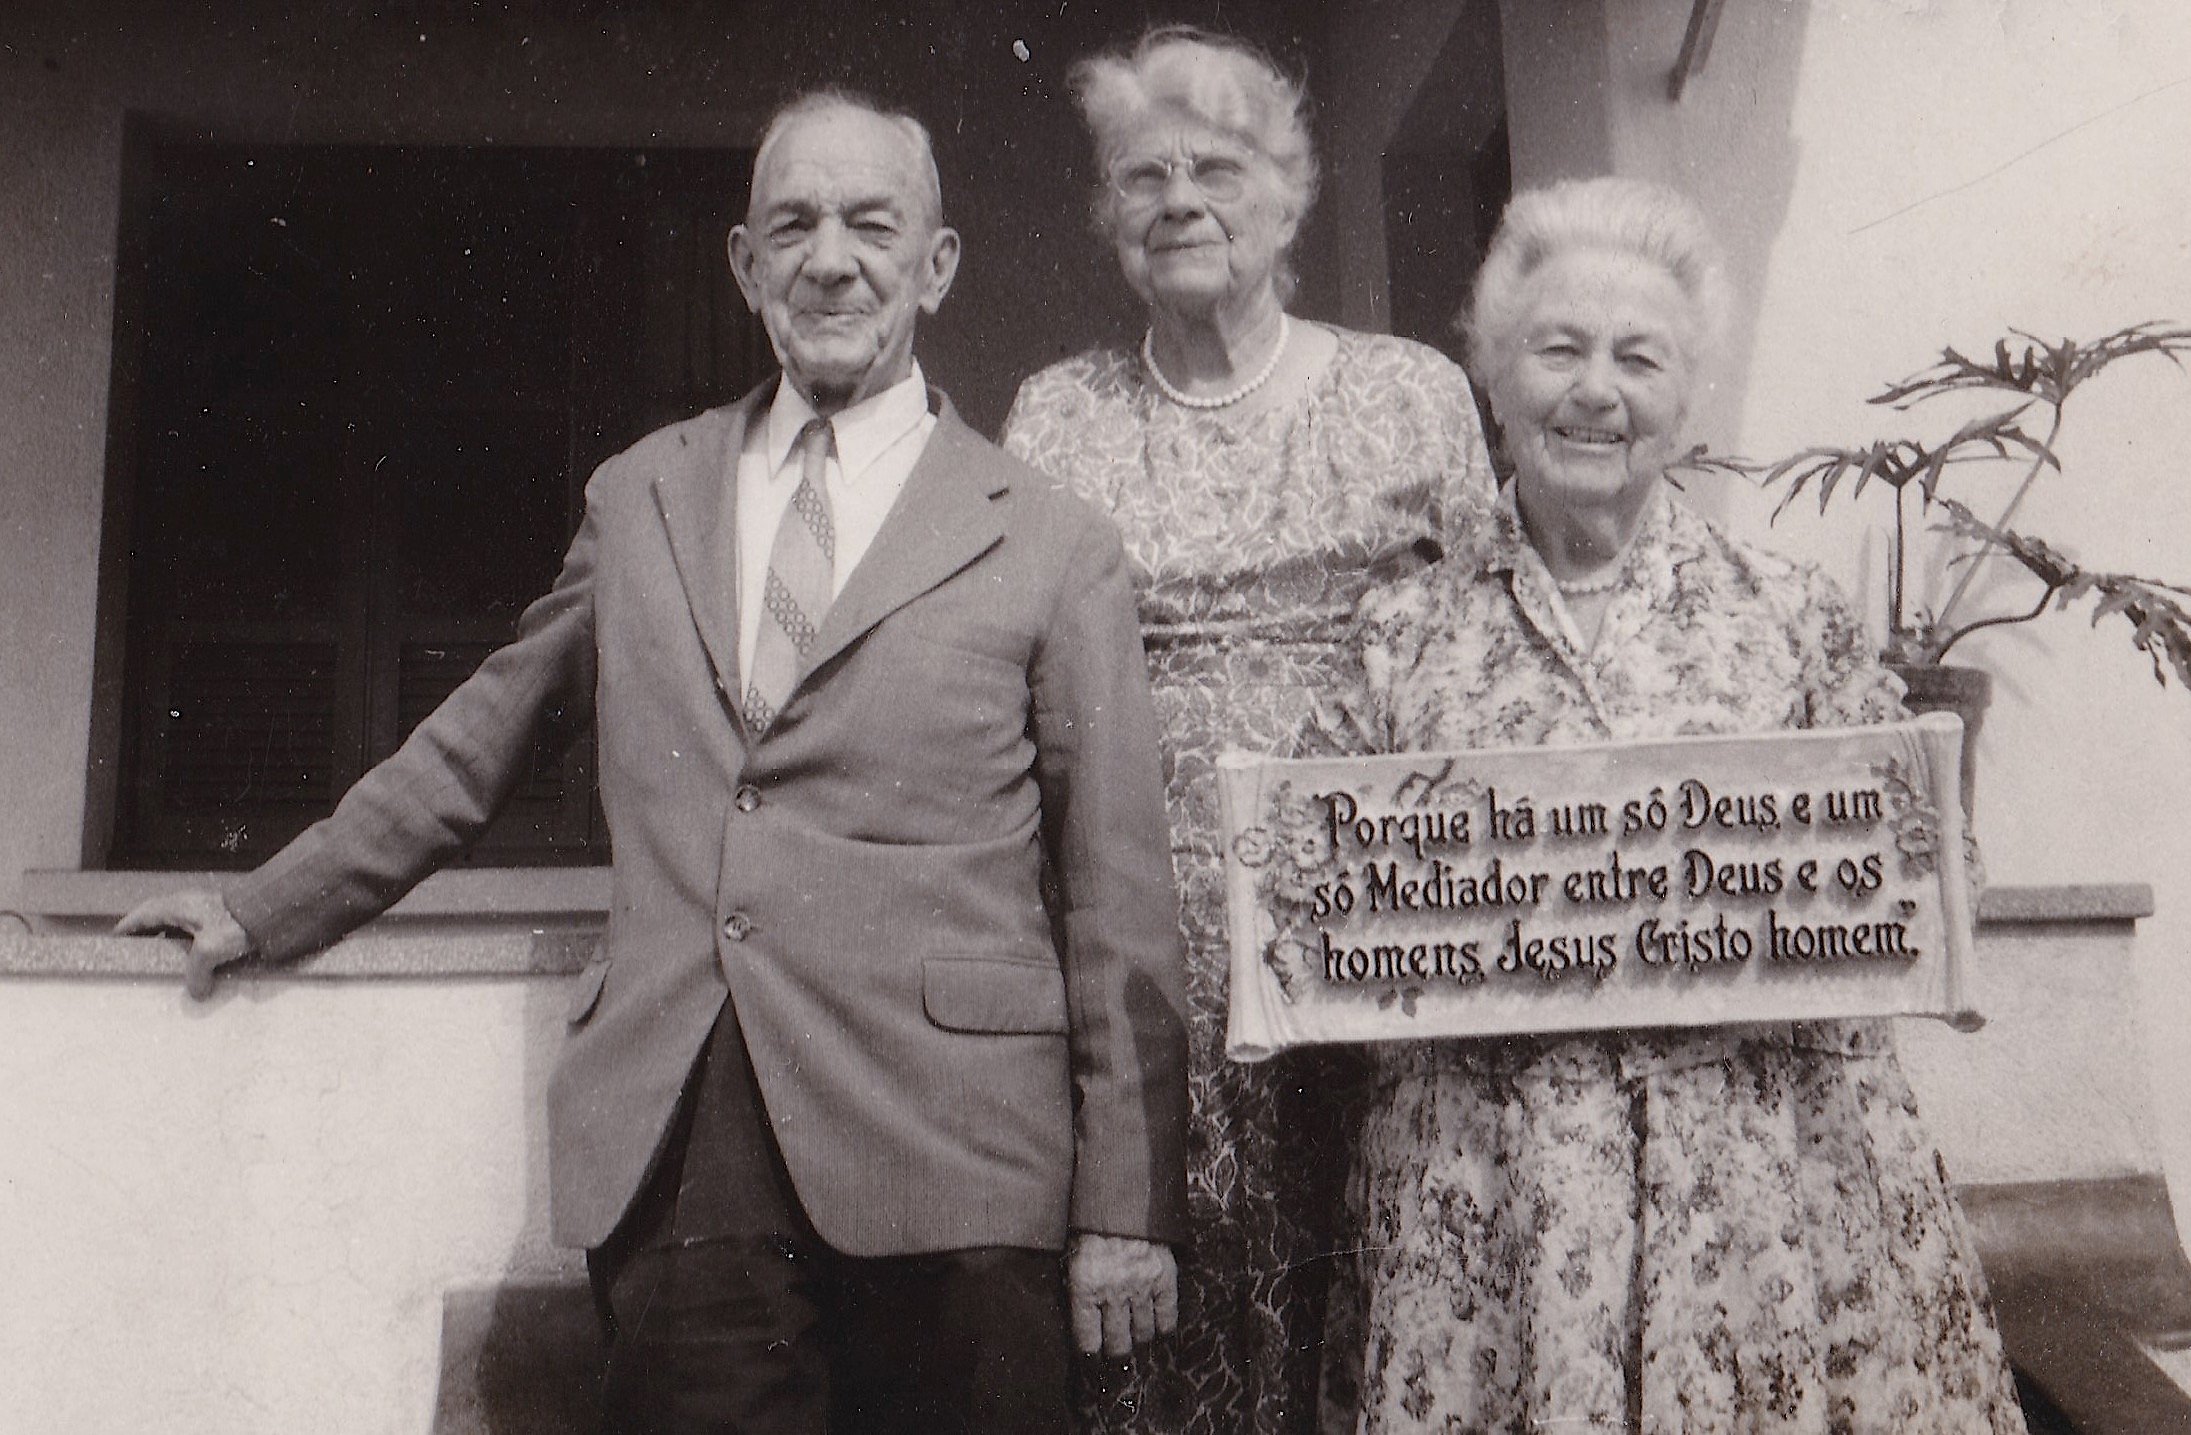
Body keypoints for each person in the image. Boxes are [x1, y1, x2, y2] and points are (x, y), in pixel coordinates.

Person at [119, 91, 1190, 1435]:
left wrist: (1123, 1208)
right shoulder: (639, 498)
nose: (830, 258)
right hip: (695, 1130)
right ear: (744, 267)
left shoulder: (1048, 539)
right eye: (791, 224)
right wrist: (263, 903)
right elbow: (486, 731)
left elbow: (1116, 897)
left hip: (962, 1153)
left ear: (936, 264)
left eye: (872, 223)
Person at [1314, 176, 2028, 1434]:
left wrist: (1934, 901)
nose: (1597, 390)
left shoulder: (1787, 610)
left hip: (1760, 1194)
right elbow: (1316, 901)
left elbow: (1919, 862)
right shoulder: (1397, 634)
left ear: (1684, 398)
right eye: (1558, 349)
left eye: (1638, 358)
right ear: (1490, 374)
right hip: (1492, 1201)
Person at [999, 26, 1496, 1435]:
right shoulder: (1057, 414)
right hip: (1151, 952)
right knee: (1173, 1301)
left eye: (1214, 167)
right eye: (1138, 175)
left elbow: (1479, 651)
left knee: (1376, 1278)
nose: (1176, 198)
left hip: (1376, 936)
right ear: (1107, 220)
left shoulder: (1410, 391)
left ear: (1286, 197)